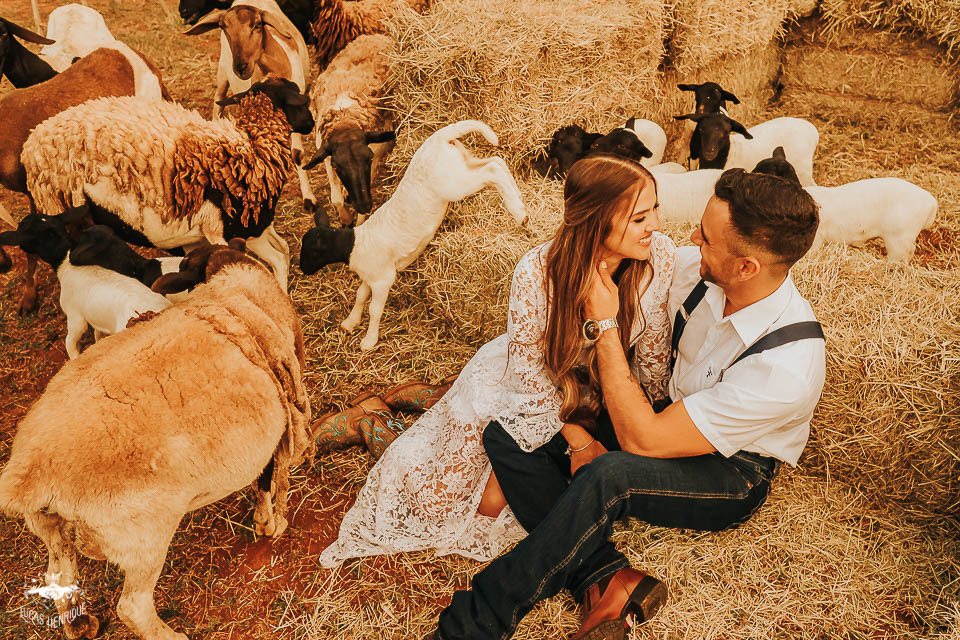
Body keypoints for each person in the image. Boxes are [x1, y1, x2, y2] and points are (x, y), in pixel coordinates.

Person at [432, 167, 826, 640]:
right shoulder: (695, 270)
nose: (691, 238)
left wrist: (604, 324)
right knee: (508, 435)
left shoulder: (786, 366)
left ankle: (475, 620)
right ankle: (605, 576)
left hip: (730, 469)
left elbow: (644, 440)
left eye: (705, 238)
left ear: (746, 267)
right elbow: (612, 255)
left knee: (610, 474)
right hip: (661, 412)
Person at [312, 154, 677, 566]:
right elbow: (530, 379)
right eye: (640, 218)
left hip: (596, 392)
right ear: (595, 219)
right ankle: (374, 420)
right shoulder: (536, 273)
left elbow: (653, 349)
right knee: (437, 506)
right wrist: (581, 441)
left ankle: (431, 396)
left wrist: (651, 423)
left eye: (655, 210)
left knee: (530, 503)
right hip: (526, 389)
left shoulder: (660, 256)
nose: (656, 225)